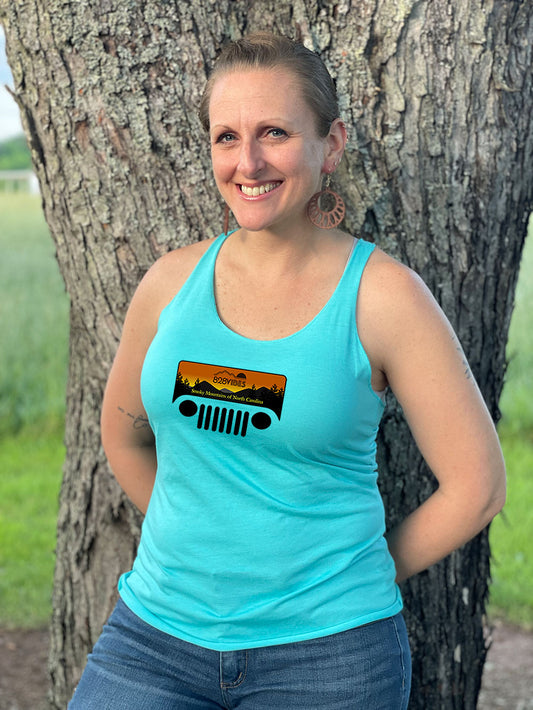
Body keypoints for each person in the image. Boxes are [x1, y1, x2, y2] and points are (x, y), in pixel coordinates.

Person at [69, 32, 506, 709]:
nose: (247, 161)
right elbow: (123, 436)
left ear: (329, 144)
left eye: (273, 132)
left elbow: (475, 487)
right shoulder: (168, 285)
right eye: (225, 137)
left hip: (327, 657)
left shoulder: (383, 298)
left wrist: (349, 576)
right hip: (154, 641)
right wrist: (203, 542)